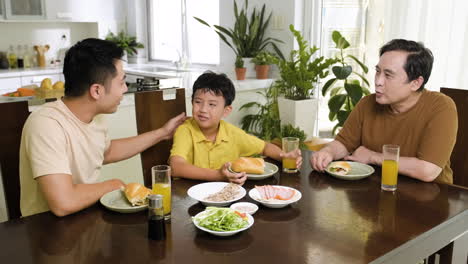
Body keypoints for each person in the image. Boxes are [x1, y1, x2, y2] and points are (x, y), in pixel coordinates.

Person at [20, 38, 187, 217]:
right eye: (122, 82)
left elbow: (106, 152)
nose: (124, 89)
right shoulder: (46, 124)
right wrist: (113, 184)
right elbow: (63, 202)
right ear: (97, 91)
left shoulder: (96, 117)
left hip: (85, 219)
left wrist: (162, 133)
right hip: (45, 231)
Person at [310, 39, 457, 184]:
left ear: (415, 83)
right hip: (374, 192)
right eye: (378, 71)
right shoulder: (367, 103)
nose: (378, 81)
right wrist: (328, 152)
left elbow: (427, 170)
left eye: (388, 75)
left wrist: (373, 157)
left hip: (431, 199)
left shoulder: (441, 107)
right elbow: (344, 143)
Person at [169, 71, 302, 185]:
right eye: (198, 102)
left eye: (212, 104)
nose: (203, 109)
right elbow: (176, 167)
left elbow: (265, 147)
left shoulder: (232, 133)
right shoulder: (185, 130)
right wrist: (217, 175)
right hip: (189, 197)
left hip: (226, 196)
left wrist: (284, 156)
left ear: (226, 111)